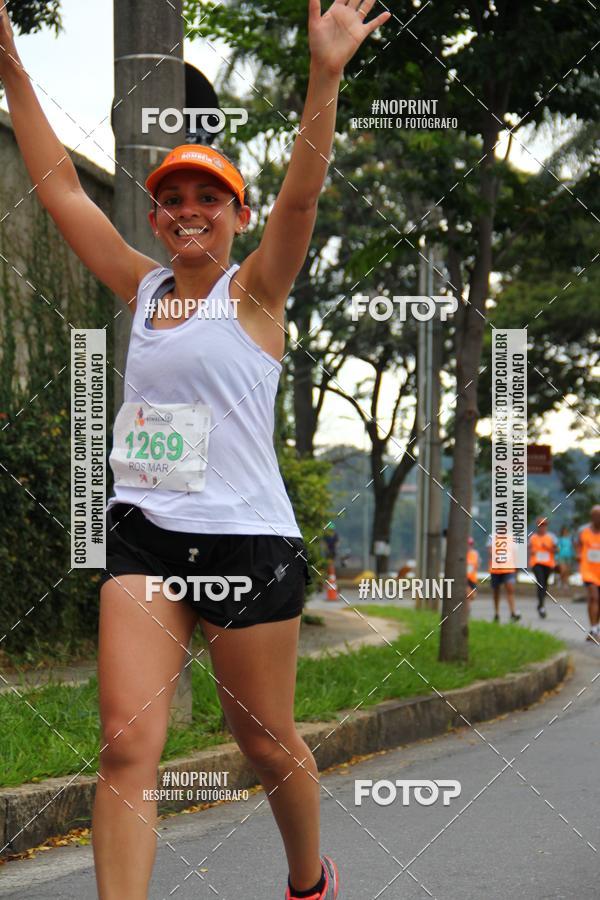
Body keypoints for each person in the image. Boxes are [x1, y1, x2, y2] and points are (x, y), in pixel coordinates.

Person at [0, 3, 391, 899]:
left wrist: (324, 74)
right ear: (156, 214)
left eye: (206, 198)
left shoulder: (257, 294)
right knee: (128, 743)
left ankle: (307, 881)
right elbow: (59, 187)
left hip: (245, 544)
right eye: (172, 199)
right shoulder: (139, 289)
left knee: (263, 740)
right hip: (142, 533)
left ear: (233, 214)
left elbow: (302, 194)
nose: (187, 213)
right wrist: (13, 72)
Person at [575, 506, 600, 643]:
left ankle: (595, 629)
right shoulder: (583, 531)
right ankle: (594, 629)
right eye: (597, 516)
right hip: (588, 570)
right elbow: (577, 544)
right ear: (592, 517)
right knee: (594, 597)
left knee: (599, 600)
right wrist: (578, 554)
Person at [487, 532, 521, 623]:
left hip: (509, 569)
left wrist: (517, 566)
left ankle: (513, 612)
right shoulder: (492, 536)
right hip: (496, 569)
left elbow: (516, 553)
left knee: (510, 589)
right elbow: (490, 551)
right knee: (496, 591)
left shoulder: (512, 537)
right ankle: (496, 613)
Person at [528, 516, 558, 618]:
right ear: (538, 526)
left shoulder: (551, 537)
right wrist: (531, 551)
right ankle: (541, 607)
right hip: (536, 564)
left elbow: (556, 550)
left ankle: (541, 604)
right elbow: (529, 549)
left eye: (544, 525)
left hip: (548, 564)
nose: (543, 527)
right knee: (540, 583)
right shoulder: (533, 537)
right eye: (541, 525)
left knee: (544, 585)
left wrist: (549, 548)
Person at [556, 525, 574, 589]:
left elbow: (571, 548)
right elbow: (558, 548)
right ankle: (560, 580)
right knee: (563, 570)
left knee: (567, 571)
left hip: (568, 556)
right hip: (561, 556)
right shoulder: (560, 539)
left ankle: (565, 583)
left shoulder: (569, 540)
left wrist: (573, 556)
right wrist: (556, 557)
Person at [466, 537, 479, 603]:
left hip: (473, 578)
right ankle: (466, 610)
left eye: (471, 544)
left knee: (473, 596)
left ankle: (467, 608)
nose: (469, 545)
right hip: (465, 578)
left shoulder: (475, 554)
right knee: (467, 593)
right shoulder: (462, 554)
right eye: (468, 544)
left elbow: (476, 565)